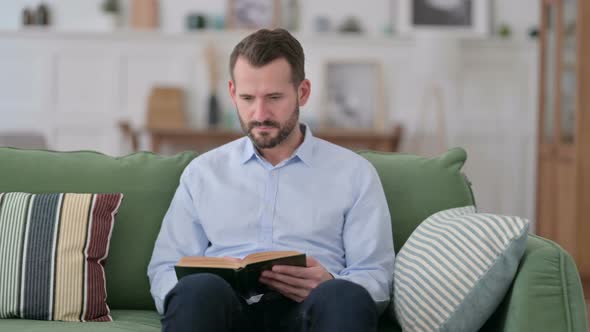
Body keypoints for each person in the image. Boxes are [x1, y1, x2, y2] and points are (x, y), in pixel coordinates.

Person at [147, 28, 395, 332]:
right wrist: (189, 289)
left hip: (312, 312)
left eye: (274, 97)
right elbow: (164, 267)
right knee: (195, 290)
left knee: (344, 296)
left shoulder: (355, 173)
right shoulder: (202, 173)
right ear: (231, 92)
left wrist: (330, 282)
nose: (260, 114)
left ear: (302, 92)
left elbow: (376, 275)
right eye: (247, 98)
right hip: (223, 312)